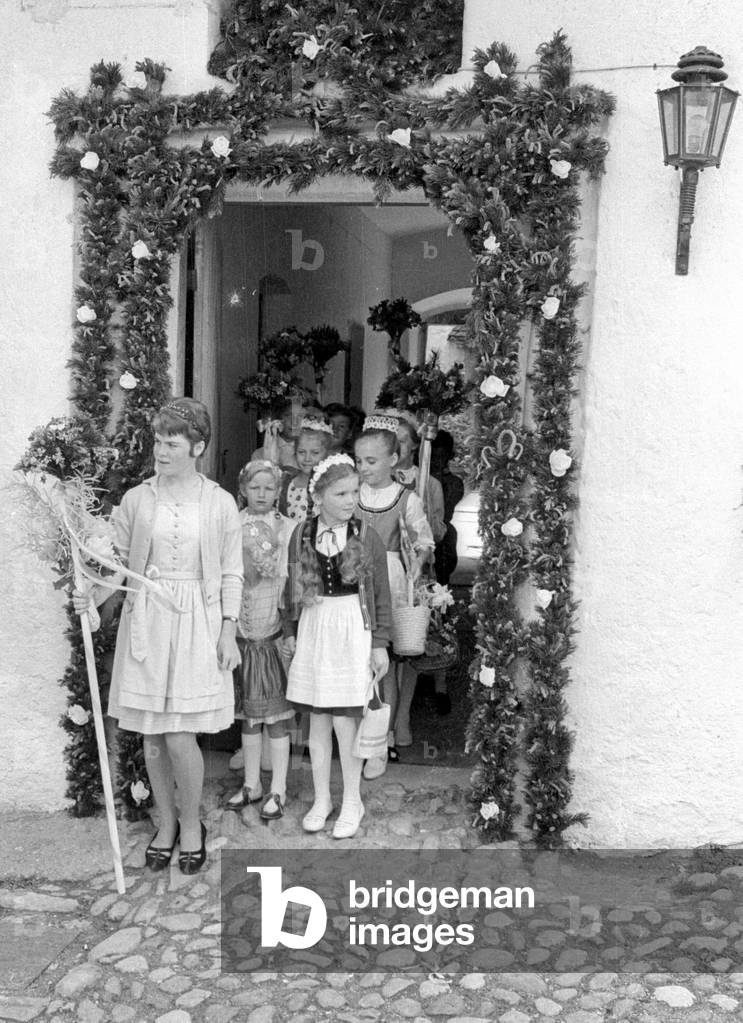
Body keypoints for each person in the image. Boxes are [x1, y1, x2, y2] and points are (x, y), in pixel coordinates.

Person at [73, 398, 242, 875]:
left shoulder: (219, 502)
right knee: (151, 736)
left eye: (172, 443)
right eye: (157, 441)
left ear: (198, 447)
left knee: (179, 736)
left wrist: (228, 630)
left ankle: (192, 825)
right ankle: (164, 824)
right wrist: (91, 594)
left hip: (196, 623)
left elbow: (232, 572)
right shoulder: (137, 499)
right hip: (147, 618)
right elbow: (117, 564)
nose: (160, 451)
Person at [284, 453, 392, 839]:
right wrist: (290, 629)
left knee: (347, 723)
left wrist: (379, 643)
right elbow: (293, 584)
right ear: (320, 495)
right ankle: (321, 798)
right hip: (316, 625)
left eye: (355, 492)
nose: (351, 500)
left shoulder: (366, 535)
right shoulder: (302, 533)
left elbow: (380, 592)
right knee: (317, 722)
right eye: (341, 493)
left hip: (352, 628)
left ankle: (352, 800)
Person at [354, 414, 434, 777]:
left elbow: (423, 539)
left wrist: (418, 558)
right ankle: (358, 733)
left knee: (385, 665)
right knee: (355, 662)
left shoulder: (406, 498)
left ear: (392, 459)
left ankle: (382, 740)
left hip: (389, 581)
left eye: (371, 461)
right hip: (352, 580)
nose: (363, 467)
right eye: (359, 461)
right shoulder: (350, 494)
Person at [224, 460, 294, 820]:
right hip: (242, 636)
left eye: (269, 488)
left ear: (278, 491)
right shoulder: (231, 526)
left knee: (276, 716)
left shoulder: (286, 529)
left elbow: (290, 582)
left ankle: (278, 788)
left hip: (272, 634)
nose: (262, 494)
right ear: (244, 489)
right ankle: (251, 784)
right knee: (249, 717)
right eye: (255, 487)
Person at [395, 418, 446, 546]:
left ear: (414, 444)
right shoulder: (379, 478)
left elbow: (438, 534)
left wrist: (424, 514)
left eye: (401, 441)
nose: (394, 447)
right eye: (390, 441)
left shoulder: (431, 484)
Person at [278, 417, 333, 521]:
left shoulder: (333, 484)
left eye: (315, 453)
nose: (307, 459)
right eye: (301, 452)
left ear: (327, 454)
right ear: (295, 451)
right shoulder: (286, 483)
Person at [251, 399, 299, 469]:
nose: (294, 422)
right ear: (278, 419)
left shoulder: (312, 453)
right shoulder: (259, 454)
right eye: (288, 415)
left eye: (299, 416)